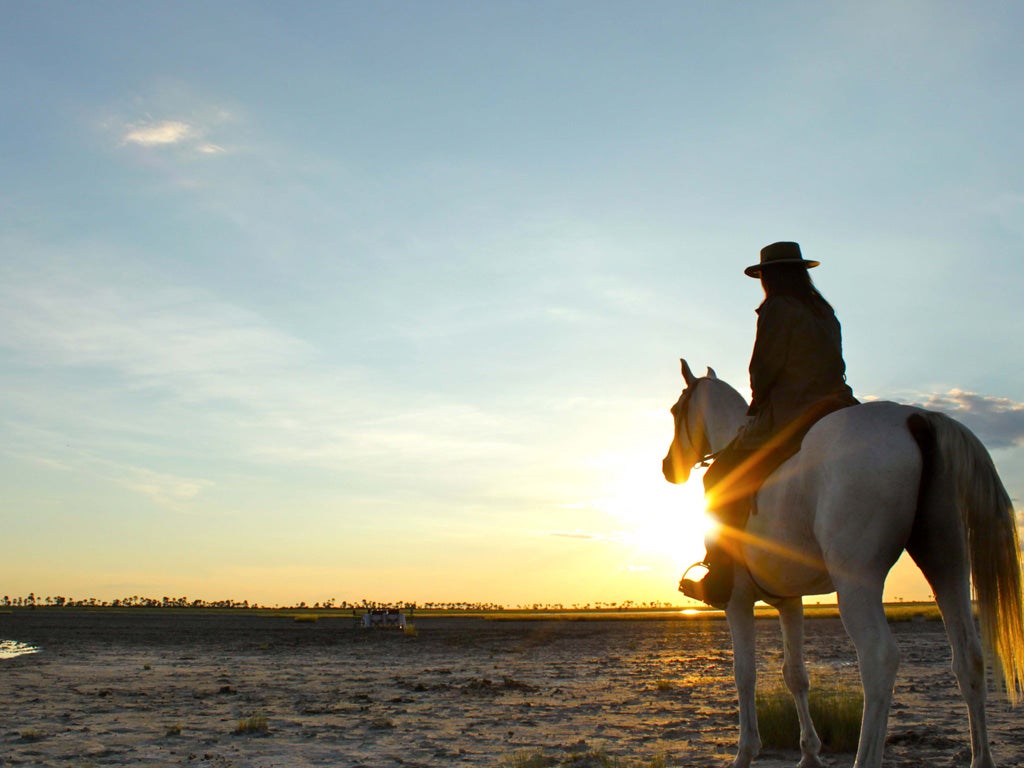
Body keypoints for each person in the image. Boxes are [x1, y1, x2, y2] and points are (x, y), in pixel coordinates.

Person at [680, 241, 858, 607]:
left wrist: (757, 403)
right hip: (839, 406)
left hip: (793, 413)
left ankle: (719, 571)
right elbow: (836, 364)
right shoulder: (825, 312)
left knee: (718, 478)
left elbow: (763, 368)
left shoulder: (776, 308)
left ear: (769, 277)